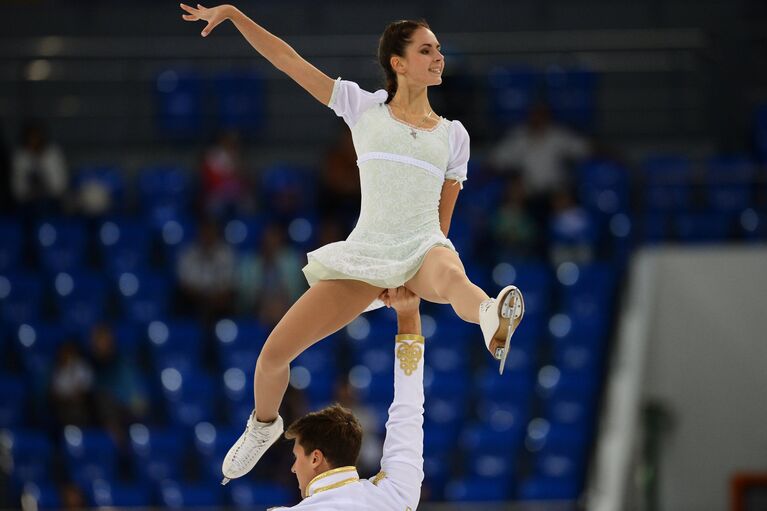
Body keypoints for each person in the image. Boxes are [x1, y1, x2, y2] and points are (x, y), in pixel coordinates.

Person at [179, 3, 525, 482]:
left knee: (450, 273)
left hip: (423, 245)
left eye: (439, 49)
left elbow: (441, 223)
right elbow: (290, 61)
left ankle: (491, 315)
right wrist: (237, 16)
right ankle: (262, 425)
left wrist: (418, 266)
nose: (438, 57)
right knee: (272, 356)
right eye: (427, 50)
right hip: (367, 254)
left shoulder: (455, 136)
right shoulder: (363, 107)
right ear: (398, 63)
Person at [263, 286, 426, 510]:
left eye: (296, 456)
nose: (293, 468)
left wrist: (407, 315)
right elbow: (408, 412)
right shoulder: (394, 495)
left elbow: (408, 410)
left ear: (315, 458)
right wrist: (409, 314)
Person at [11, 120, 69, 215]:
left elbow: (60, 186)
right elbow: (18, 190)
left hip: (52, 200)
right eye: (31, 138)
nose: (34, 141)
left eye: (36, 137)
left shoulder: (53, 153)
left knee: (46, 205)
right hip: (27, 202)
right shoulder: (20, 156)